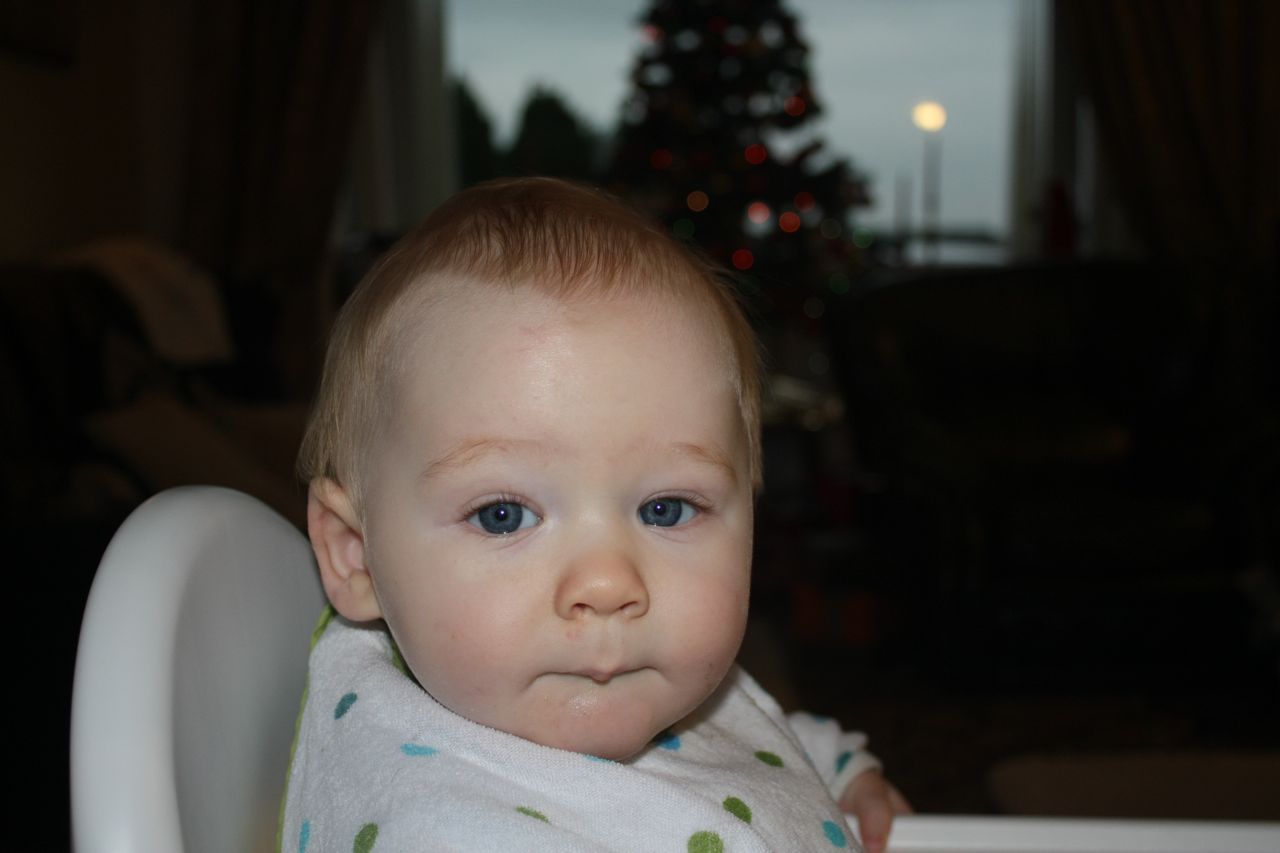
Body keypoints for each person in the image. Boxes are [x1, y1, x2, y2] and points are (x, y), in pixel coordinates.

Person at [283, 178, 910, 852]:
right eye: (503, 515)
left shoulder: (668, 689)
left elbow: (740, 730)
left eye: (666, 509)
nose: (608, 583)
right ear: (356, 553)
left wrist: (838, 774)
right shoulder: (440, 828)